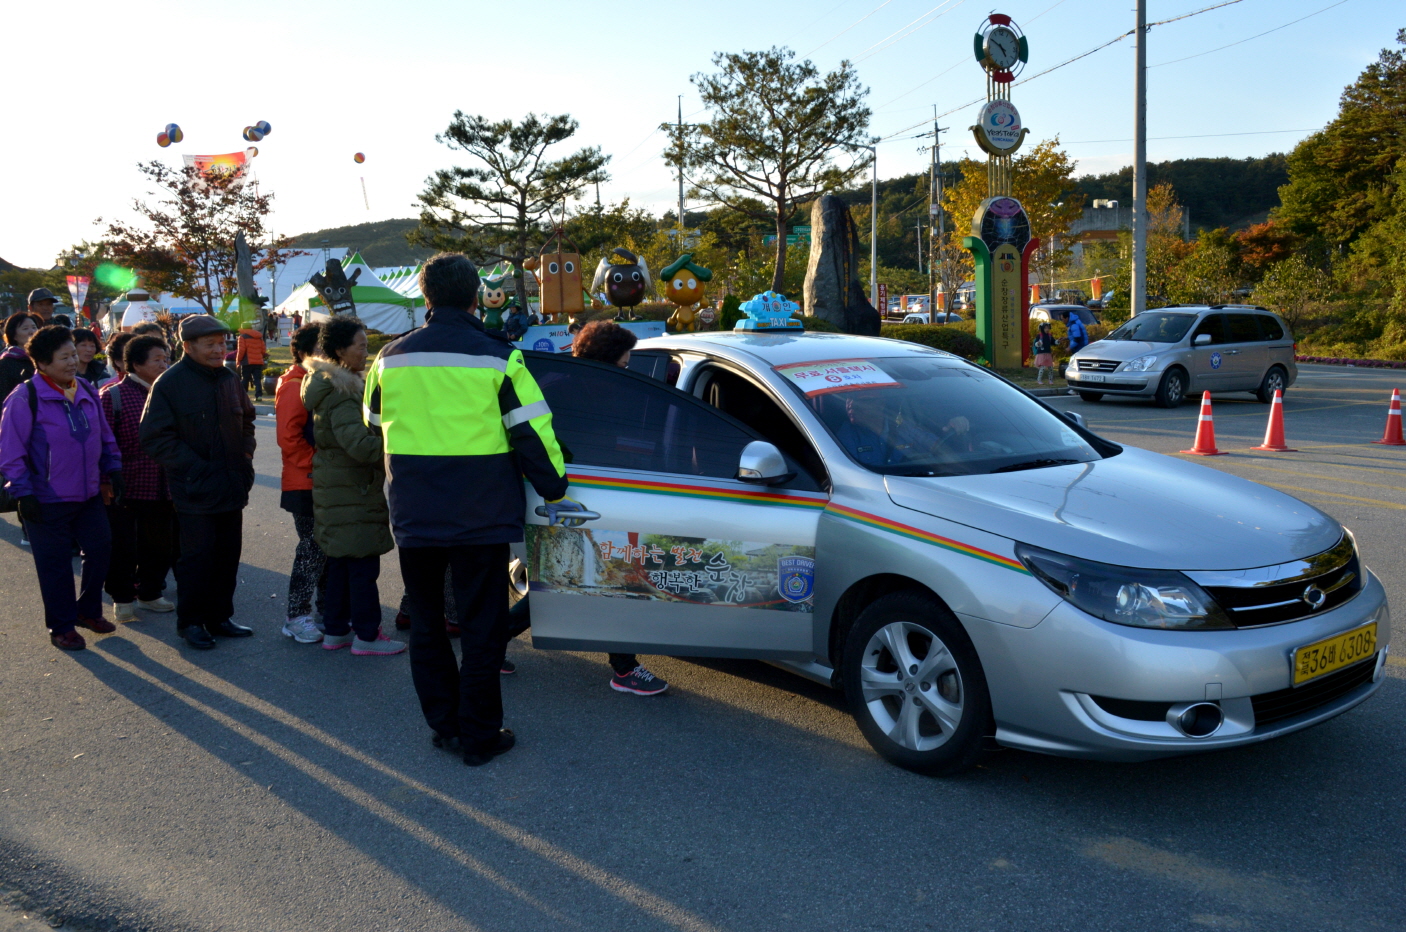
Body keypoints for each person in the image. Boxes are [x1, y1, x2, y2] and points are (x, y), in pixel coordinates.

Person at [364, 252, 579, 765]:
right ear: (477, 297)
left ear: (425, 296)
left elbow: (372, 421)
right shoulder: (499, 357)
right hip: (481, 515)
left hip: (415, 512)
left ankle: (446, 728)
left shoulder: (389, 357)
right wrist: (555, 490)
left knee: (427, 624)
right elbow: (534, 432)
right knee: (482, 627)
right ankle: (480, 734)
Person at [0, 326, 122, 650]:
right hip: (45, 499)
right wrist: (24, 493)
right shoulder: (24, 397)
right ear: (42, 362)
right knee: (54, 567)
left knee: (101, 549)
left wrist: (113, 468)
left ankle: (88, 611)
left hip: (89, 494)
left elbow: (104, 435)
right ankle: (61, 626)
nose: (73, 362)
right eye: (64, 357)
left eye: (73, 354)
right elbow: (10, 452)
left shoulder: (85, 389)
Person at [140, 315, 256, 650]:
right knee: (197, 560)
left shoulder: (229, 378)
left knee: (227, 557)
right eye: (210, 345)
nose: (220, 350)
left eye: (222, 343)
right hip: (194, 490)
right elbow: (155, 437)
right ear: (188, 347)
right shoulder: (170, 383)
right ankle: (191, 622)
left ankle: (220, 617)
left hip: (232, 484)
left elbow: (247, 419)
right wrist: (196, 468)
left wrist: (246, 455)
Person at [570, 321, 669, 696]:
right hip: (589, 495)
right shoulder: (589, 395)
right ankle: (624, 669)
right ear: (605, 361)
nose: (627, 371)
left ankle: (493, 645)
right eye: (624, 364)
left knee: (570, 580)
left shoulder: (573, 385)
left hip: (587, 493)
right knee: (615, 578)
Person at [303, 317, 403, 656]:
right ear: (340, 350)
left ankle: (336, 632)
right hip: (351, 490)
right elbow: (360, 446)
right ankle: (367, 637)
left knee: (342, 564)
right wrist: (395, 441)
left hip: (338, 488)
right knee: (361, 567)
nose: (366, 352)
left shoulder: (327, 385)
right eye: (360, 346)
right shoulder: (342, 393)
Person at [100, 335, 177, 623]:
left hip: (165, 486)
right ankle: (122, 598)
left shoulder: (169, 393)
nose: (164, 364)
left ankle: (150, 593)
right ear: (135, 364)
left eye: (166, 359)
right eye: (157, 359)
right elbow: (101, 443)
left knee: (160, 545)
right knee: (123, 547)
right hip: (126, 486)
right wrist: (105, 480)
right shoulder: (113, 396)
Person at [276, 323, 326, 644]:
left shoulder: (312, 380)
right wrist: (320, 464)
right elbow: (289, 438)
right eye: (323, 349)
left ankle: (325, 611)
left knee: (322, 549)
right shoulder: (296, 384)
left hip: (316, 479)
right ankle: (296, 616)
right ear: (308, 352)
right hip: (305, 481)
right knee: (311, 549)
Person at [0, 312, 42, 401]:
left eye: (34, 327)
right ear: (14, 335)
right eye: (25, 328)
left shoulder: (45, 358)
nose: (32, 332)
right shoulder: (6, 363)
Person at [236, 325, 267, 401]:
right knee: (257, 379)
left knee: (245, 379)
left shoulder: (242, 337)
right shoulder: (258, 336)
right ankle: (259, 396)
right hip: (258, 361)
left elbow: (241, 351)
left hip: (247, 361)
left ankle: (243, 396)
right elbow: (263, 350)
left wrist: (238, 360)